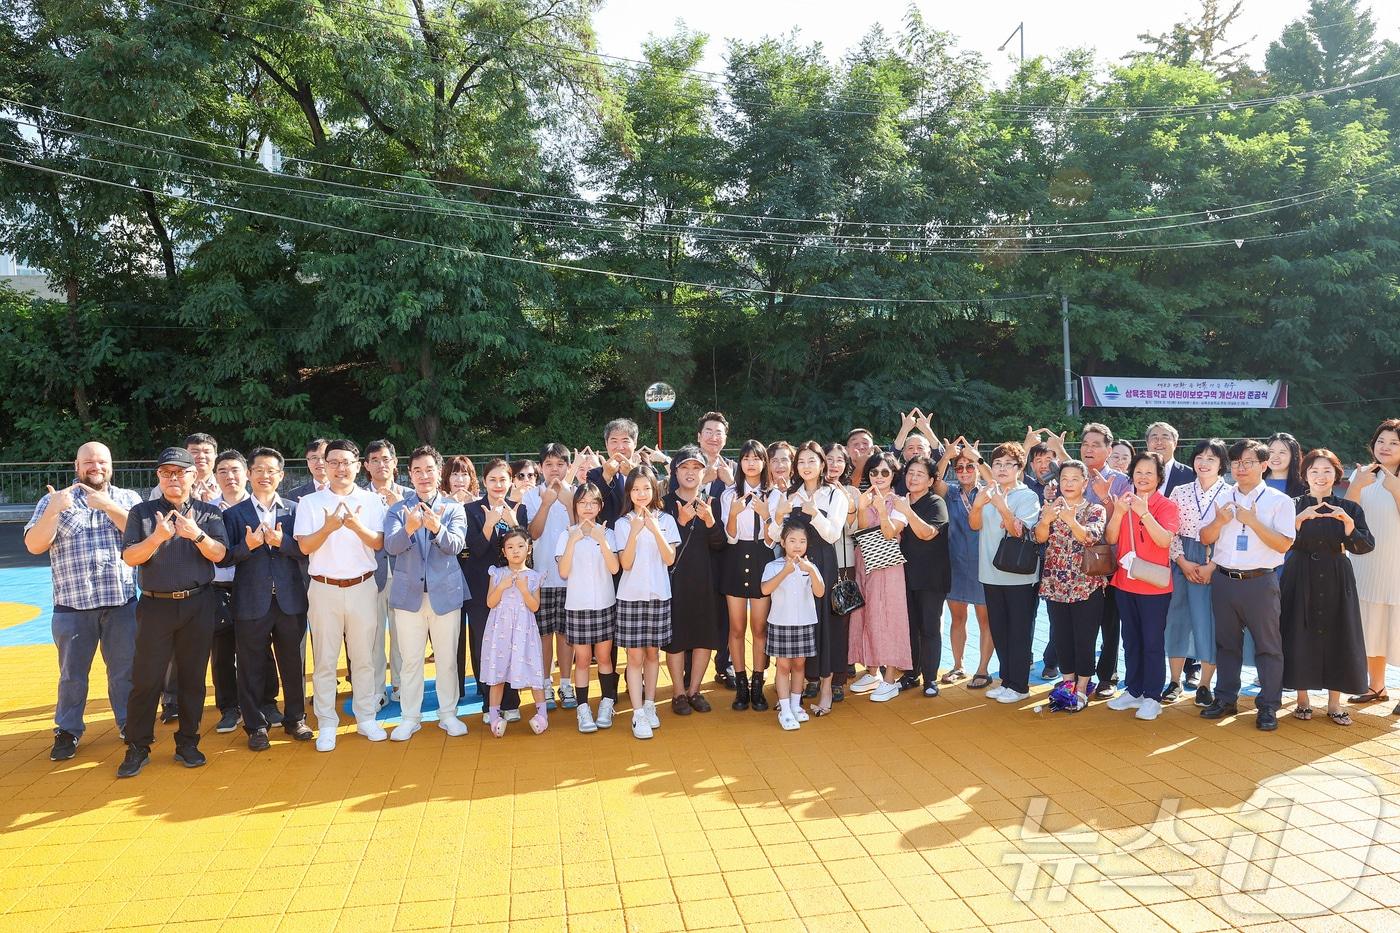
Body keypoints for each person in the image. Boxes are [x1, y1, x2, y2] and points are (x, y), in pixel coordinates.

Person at [24, 442, 142, 762]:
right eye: (88, 462)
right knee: (72, 675)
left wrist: (106, 505)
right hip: (72, 608)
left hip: (121, 604)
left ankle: (128, 723)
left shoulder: (128, 499)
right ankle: (67, 729)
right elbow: (35, 545)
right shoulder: (55, 500)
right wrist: (52, 510)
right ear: (77, 466)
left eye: (102, 461)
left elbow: (142, 535)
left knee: (124, 671)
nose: (96, 467)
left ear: (111, 465)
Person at [117, 447, 230, 777]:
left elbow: (220, 554)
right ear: (158, 478)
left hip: (198, 603)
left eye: (180, 472)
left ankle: (188, 742)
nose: (173, 478)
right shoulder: (142, 512)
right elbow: (130, 557)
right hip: (155, 606)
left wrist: (195, 535)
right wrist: (157, 538)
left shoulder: (208, 513)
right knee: (146, 679)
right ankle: (138, 746)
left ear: (194, 476)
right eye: (166, 473)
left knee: (193, 678)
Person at [292, 439, 388, 752]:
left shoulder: (371, 501)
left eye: (346, 462)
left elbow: (377, 543)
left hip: (362, 586)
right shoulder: (309, 502)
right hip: (323, 588)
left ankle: (366, 717)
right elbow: (304, 547)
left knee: (363, 657)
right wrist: (329, 527)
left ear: (358, 465)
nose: (340, 468)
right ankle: (327, 723)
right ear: (324, 465)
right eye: (333, 462)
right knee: (324, 660)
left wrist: (357, 526)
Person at [219, 447, 313, 749]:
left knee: (293, 663)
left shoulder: (295, 510)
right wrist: (248, 545)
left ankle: (295, 718)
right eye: (258, 470)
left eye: (271, 470)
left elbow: (306, 551)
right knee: (249, 666)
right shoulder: (233, 515)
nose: (264, 475)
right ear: (249, 474)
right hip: (250, 601)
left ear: (281, 476)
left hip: (290, 601)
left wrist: (281, 542)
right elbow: (224, 558)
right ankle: (256, 726)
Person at [1199, 439, 1297, 731]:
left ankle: (1268, 706)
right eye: (1237, 462)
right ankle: (1226, 698)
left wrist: (1252, 522)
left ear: (1264, 466)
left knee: (1268, 647)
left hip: (1260, 582)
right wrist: (1218, 522)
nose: (1241, 468)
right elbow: (1205, 538)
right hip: (1224, 580)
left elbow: (1283, 544)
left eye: (1249, 462)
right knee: (1226, 645)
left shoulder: (1279, 501)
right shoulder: (1221, 496)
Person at [383, 445, 469, 741]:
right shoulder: (397, 508)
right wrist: (408, 528)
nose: (423, 476)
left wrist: (436, 528)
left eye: (429, 469)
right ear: (408, 474)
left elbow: (456, 546)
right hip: (408, 596)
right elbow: (390, 547)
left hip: (445, 593)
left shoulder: (453, 508)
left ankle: (448, 714)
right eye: (417, 470)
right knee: (410, 660)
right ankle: (410, 717)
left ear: (438, 472)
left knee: (446, 658)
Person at [1283, 449, 1373, 726]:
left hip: (1337, 574)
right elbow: (1278, 544)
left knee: (1339, 634)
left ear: (1337, 474)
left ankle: (1335, 703)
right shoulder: (1292, 504)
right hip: (1300, 574)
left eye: (1326, 471)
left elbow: (1365, 546)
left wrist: (1348, 526)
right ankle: (1302, 699)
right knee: (1298, 631)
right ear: (1304, 475)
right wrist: (1298, 520)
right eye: (1314, 471)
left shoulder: (1351, 508)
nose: (1320, 477)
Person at [1047, 424, 1132, 699]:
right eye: (1085, 443)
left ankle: (1106, 677)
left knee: (1107, 624)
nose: (1089, 448)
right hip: (1065, 571)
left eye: (1096, 444)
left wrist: (1106, 497)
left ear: (1109, 449)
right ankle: (1070, 680)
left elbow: (1117, 521)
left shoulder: (1121, 480)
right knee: (1068, 629)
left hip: (1105, 563)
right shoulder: (1068, 476)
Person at [147, 432, 220, 724]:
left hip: (218, 576)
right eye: (195, 452)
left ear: (215, 455)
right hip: (178, 577)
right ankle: (173, 700)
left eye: (206, 452)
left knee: (219, 648)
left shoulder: (228, 482)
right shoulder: (163, 489)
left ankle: (226, 698)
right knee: (174, 650)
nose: (201, 457)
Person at [1104, 452, 1181, 722]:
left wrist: (1144, 512)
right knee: (1131, 641)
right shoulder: (1124, 502)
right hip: (1125, 583)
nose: (1143, 477)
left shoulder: (1166, 506)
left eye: (1150, 472)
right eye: (1139, 472)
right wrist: (1120, 512)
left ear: (1159, 477)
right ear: (1131, 475)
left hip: (1154, 588)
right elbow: (1111, 537)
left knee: (1152, 643)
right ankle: (1133, 690)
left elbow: (1164, 541)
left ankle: (1152, 697)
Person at [772, 442, 847, 714]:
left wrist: (814, 514)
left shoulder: (834, 495)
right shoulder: (790, 495)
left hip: (823, 564)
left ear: (822, 464)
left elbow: (833, 535)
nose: (806, 466)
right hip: (793, 566)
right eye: (801, 461)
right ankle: (794, 691)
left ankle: (826, 687)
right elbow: (773, 535)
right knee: (797, 623)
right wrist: (777, 515)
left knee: (825, 625)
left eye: (812, 461)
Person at [969, 442, 1043, 704]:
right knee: (999, 629)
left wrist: (1001, 505)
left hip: (1019, 575)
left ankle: (1020, 685)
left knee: (1019, 630)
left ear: (1019, 468)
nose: (1001, 468)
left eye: (1007, 464)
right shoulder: (986, 491)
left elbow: (1019, 531)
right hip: (989, 571)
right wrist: (978, 506)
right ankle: (1007, 681)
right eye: (997, 463)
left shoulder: (1028, 496)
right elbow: (975, 525)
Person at [1033, 459, 1107, 712]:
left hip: (1086, 585)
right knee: (1061, 637)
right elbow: (1039, 538)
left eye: (1075, 479)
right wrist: (1046, 520)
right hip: (1055, 583)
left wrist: (1070, 519)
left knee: (1084, 638)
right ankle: (1067, 684)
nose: (1069, 483)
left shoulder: (1095, 509)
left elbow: (1090, 537)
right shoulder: (1050, 507)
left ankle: (1084, 686)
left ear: (1085, 483)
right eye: (1064, 479)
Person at [614, 466, 681, 740]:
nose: (641, 494)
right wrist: (634, 531)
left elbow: (669, 559)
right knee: (634, 656)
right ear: (629, 493)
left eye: (646, 488)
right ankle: (637, 712)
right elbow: (625, 563)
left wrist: (654, 529)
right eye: (636, 489)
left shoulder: (666, 520)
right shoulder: (621, 523)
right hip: (630, 596)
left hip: (658, 595)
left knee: (653, 654)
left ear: (655, 489)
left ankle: (651, 704)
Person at [462, 459, 529, 721]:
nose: (498, 485)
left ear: (510, 481)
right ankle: (489, 703)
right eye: (493, 480)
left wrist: (513, 523)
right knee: (484, 644)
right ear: (484, 481)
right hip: (481, 589)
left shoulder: (518, 510)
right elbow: (474, 550)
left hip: (513, 590)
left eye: (503, 479)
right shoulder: (470, 510)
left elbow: (524, 550)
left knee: (512, 643)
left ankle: (512, 702)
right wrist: (489, 524)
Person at [1165, 439, 1230, 707]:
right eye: (1199, 457)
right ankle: (1174, 681)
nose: (1203, 463)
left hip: (1214, 563)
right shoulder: (1179, 491)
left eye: (1211, 459)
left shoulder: (1230, 493)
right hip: (1182, 561)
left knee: (1208, 623)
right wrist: (1181, 560)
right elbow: (1170, 530)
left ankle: (1205, 684)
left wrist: (1212, 565)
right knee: (1177, 620)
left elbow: (1234, 534)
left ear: (1221, 464)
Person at [662, 447, 725, 715]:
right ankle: (677, 692)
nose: (690, 473)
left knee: (703, 638)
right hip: (673, 582)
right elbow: (659, 548)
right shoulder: (663, 503)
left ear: (704, 473)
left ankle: (694, 691)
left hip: (705, 581)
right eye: (685, 468)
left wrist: (710, 522)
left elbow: (720, 545)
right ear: (675, 471)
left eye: (696, 468)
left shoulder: (712, 502)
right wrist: (680, 521)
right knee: (676, 639)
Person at [847, 452, 913, 703]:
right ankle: (872, 671)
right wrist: (864, 507)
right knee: (865, 615)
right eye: (874, 472)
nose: (879, 476)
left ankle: (891, 678)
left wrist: (880, 510)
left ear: (894, 474)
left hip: (888, 565)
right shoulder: (868, 497)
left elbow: (889, 533)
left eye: (885, 472)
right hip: (865, 561)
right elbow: (863, 530)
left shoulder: (899, 501)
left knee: (889, 617)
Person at [720, 440, 781, 712]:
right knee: (736, 627)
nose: (751, 463)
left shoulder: (774, 494)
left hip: (761, 557)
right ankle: (741, 685)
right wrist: (733, 514)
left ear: (764, 462)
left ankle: (758, 684)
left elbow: (772, 541)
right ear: (740, 463)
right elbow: (729, 537)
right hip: (735, 557)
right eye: (745, 458)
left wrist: (766, 516)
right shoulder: (729, 494)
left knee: (759, 627)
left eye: (756, 458)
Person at [1345, 418, 1400, 712]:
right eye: (1381, 441)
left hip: (1396, 567)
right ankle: (1376, 685)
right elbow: (1348, 517)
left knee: (1397, 627)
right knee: (1371, 627)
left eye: (1394, 442)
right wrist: (1355, 486)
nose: (1386, 447)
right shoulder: (1364, 475)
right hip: (1366, 564)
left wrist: (1395, 488)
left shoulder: (1394, 480)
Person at [556, 484, 621, 732]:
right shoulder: (566, 534)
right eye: (582, 503)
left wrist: (600, 540)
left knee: (604, 657)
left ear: (600, 507)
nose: (587, 508)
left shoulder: (609, 533)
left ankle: (606, 702)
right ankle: (583, 709)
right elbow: (563, 571)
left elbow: (614, 568)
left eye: (593, 503)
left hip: (605, 603)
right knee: (582, 659)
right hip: (577, 606)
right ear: (575, 507)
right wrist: (573, 540)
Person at [932, 441, 994, 690]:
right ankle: (958, 665)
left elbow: (996, 481)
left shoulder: (988, 491)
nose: (966, 471)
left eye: (970, 467)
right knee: (957, 618)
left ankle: (983, 668)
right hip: (954, 561)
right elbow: (934, 479)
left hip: (983, 564)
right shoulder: (950, 492)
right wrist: (947, 455)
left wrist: (977, 458)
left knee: (985, 620)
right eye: (960, 468)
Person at [523, 444, 580, 711]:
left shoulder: (578, 493)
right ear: (540, 468)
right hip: (542, 577)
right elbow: (531, 534)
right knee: (544, 635)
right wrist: (546, 504)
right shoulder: (531, 496)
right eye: (548, 464)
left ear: (568, 466)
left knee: (567, 635)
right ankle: (544, 683)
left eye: (560, 464)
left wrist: (569, 504)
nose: (554, 469)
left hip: (571, 577)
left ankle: (565, 683)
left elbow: (580, 531)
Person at [481, 530, 548, 737]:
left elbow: (534, 606)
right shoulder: (497, 573)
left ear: (528, 549)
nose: (515, 551)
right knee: (498, 673)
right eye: (510, 547)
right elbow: (490, 602)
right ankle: (494, 716)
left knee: (532, 669)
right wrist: (501, 587)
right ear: (504, 551)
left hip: (524, 632)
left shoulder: (534, 576)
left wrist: (524, 590)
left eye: (520, 546)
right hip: (500, 630)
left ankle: (542, 714)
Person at [761, 523, 826, 730]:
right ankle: (785, 708)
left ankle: (796, 706)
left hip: (805, 622)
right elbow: (764, 589)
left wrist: (811, 571)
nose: (797, 545)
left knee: (799, 665)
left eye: (802, 541)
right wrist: (785, 572)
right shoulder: (773, 566)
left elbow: (820, 592)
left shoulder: (811, 565)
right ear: (783, 542)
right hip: (781, 622)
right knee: (782, 666)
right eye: (792, 540)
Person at [896, 455, 949, 696]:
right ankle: (911, 674)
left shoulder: (935, 502)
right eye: (910, 473)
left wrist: (907, 512)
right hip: (905, 575)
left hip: (931, 577)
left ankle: (930, 678)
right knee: (910, 627)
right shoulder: (901, 501)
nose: (913, 477)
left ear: (930, 480)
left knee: (929, 628)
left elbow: (927, 533)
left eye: (920, 474)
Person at [690, 412, 736, 690]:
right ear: (699, 436)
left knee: (725, 610)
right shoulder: (686, 464)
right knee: (690, 606)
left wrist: (731, 482)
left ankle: (725, 663)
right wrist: (701, 478)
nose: (713, 437)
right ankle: (686, 665)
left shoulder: (734, 468)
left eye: (719, 432)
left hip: (723, 549)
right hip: (691, 549)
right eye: (708, 431)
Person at [209, 450, 254, 734]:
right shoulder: (205, 510)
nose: (229, 476)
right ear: (215, 476)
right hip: (215, 589)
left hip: (251, 586)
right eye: (223, 471)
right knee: (222, 653)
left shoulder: (258, 508)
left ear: (247, 473)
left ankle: (264, 701)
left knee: (257, 648)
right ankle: (228, 707)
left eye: (235, 470)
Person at [363, 439, 407, 708]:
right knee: (373, 636)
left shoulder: (409, 495)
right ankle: (376, 689)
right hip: (371, 574)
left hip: (404, 573)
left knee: (404, 635)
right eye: (375, 460)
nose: (381, 465)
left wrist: (400, 505)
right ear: (366, 465)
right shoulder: (357, 497)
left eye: (386, 459)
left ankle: (402, 686)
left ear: (395, 462)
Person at [821, 442, 861, 702]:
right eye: (829, 459)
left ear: (846, 465)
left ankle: (837, 677)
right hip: (816, 563)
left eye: (839, 460)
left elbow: (854, 529)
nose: (834, 464)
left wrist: (845, 502)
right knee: (815, 622)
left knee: (840, 625)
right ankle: (813, 676)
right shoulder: (811, 489)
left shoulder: (852, 492)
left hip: (843, 564)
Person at [1145, 422, 1196, 496]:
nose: (1159, 442)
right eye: (1154, 437)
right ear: (1147, 443)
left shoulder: (1191, 475)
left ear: (1175, 443)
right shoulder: (1136, 475)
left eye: (1165, 437)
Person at [1265, 432, 1308, 499]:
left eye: (1282, 452)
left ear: (1293, 456)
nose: (1275, 457)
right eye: (1271, 452)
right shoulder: (1255, 480)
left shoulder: (1304, 487)